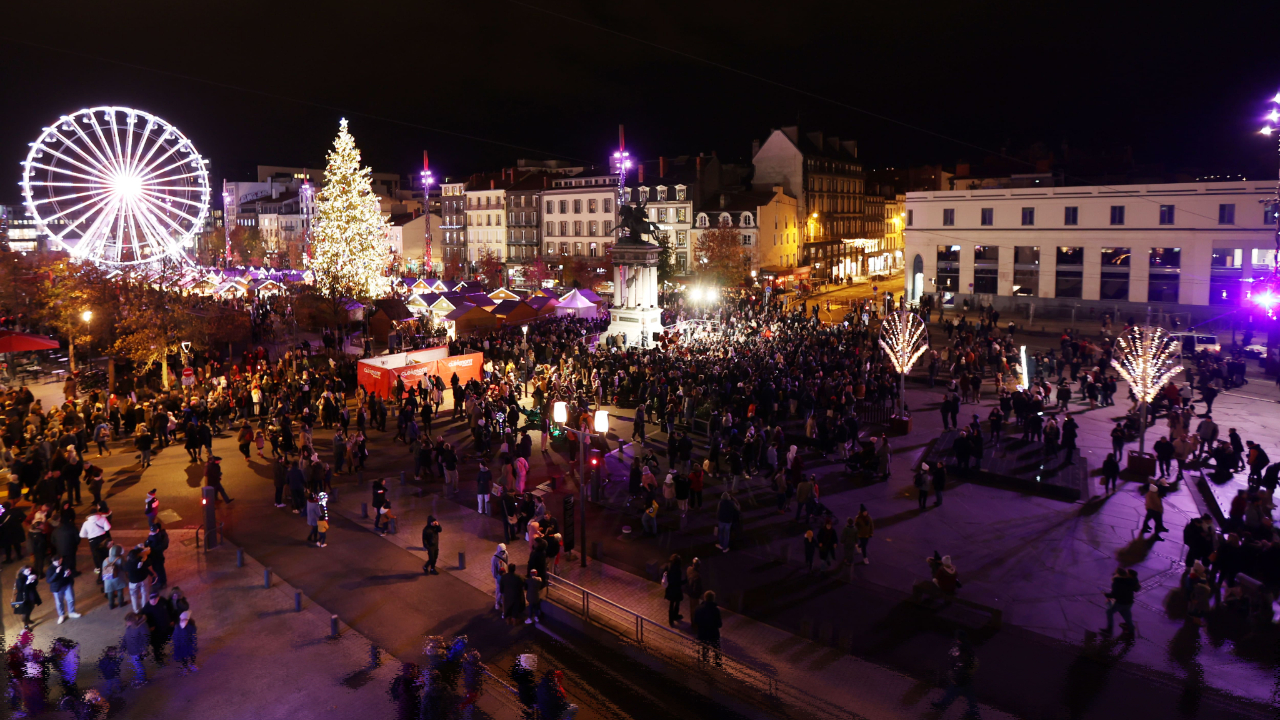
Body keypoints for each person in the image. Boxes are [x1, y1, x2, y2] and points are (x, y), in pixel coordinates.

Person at [931, 630, 980, 718]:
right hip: (965, 674)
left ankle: (943, 705)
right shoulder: (966, 646)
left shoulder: (963, 648)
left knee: (954, 690)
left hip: (962, 675)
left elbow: (960, 660)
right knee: (968, 694)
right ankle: (974, 712)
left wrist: (956, 670)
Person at [1101, 567, 1139, 638]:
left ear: (1117, 574)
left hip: (1120, 603)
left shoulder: (1117, 582)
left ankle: (1109, 629)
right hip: (1129, 602)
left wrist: (1105, 594)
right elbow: (1136, 587)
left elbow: (1114, 595)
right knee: (1127, 616)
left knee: (1109, 612)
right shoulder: (1131, 580)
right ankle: (1131, 631)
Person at [141, 591, 174, 667]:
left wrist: (171, 619)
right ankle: (159, 659)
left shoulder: (163, 601)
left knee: (165, 641)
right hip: (156, 632)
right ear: (149, 599)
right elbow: (144, 621)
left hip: (166, 627)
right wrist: (150, 626)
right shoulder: (146, 608)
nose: (154, 600)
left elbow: (169, 609)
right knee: (157, 646)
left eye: (156, 598)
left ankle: (161, 652)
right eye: (152, 599)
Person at [47, 554, 81, 624]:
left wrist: (68, 573)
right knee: (59, 602)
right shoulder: (50, 569)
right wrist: (56, 573)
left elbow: (68, 569)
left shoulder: (64, 563)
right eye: (57, 562)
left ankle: (71, 612)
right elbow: (49, 580)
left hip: (66, 584)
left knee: (71, 598)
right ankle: (61, 615)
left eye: (60, 561)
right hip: (57, 588)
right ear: (53, 562)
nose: (59, 563)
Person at [693, 590, 722, 666]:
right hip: (713, 634)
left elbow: (695, 621)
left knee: (704, 649)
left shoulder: (698, 608)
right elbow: (719, 624)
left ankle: (705, 663)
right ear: (713, 599)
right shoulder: (716, 610)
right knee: (716, 650)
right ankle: (717, 664)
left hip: (702, 633)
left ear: (705, 598)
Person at [122, 612, 150, 686]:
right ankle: (140, 677)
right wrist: (122, 648)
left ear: (132, 620)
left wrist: (144, 649)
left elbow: (146, 638)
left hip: (137, 651)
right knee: (137, 665)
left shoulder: (142, 626)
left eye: (128, 621)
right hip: (132, 650)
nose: (127, 623)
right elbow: (125, 637)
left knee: (138, 666)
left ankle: (142, 679)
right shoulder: (129, 626)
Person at [12, 564, 41, 630]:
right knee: (25, 611)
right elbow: (20, 589)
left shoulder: (31, 574)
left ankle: (28, 619)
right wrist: (27, 582)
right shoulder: (19, 578)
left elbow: (35, 584)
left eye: (30, 571)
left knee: (31, 607)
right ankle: (26, 626)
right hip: (23, 597)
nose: (29, 572)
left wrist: (34, 580)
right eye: (27, 571)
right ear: (23, 571)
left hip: (31, 594)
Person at [662, 554, 685, 626]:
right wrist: (686, 581)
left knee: (672, 603)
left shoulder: (668, 566)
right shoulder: (677, 570)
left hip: (670, 588)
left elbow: (663, 574)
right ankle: (674, 616)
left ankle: (671, 620)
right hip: (676, 589)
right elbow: (678, 582)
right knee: (676, 602)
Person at [102, 544, 127, 609]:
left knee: (110, 591)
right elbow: (124, 568)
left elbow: (103, 569)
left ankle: (111, 605)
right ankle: (121, 603)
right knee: (119, 590)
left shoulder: (106, 560)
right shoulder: (120, 559)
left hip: (108, 578)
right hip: (118, 578)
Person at [146, 522, 170, 588]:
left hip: (156, 557)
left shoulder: (154, 537)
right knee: (159, 569)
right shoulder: (160, 536)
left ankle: (162, 582)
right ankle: (161, 581)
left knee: (159, 570)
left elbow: (147, 544)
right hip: (158, 556)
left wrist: (149, 538)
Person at [685, 557, 704, 624]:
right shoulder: (697, 576)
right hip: (695, 596)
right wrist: (699, 595)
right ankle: (694, 624)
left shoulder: (689, 569)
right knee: (695, 609)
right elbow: (697, 588)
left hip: (689, 592)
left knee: (691, 608)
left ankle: (693, 621)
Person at [491, 543, 509, 611]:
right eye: (501, 552)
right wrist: (495, 577)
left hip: (504, 575)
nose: (502, 553)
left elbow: (507, 563)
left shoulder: (506, 553)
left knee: (504, 589)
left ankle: (502, 600)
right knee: (498, 590)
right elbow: (493, 569)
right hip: (499, 576)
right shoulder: (494, 558)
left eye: (503, 551)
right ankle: (497, 602)